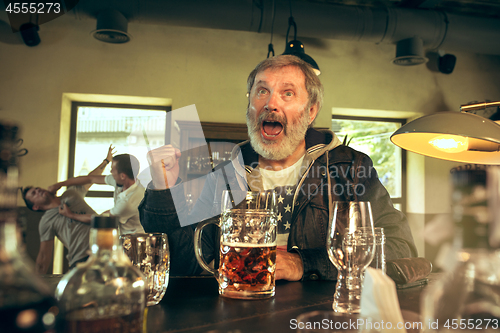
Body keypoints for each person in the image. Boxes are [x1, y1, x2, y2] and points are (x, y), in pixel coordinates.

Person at [139, 55, 418, 281]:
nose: (271, 104)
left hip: (324, 318)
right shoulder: (226, 174)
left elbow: (400, 249)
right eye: (262, 91)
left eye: (287, 93)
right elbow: (185, 265)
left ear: (310, 111)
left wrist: (304, 264)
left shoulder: (350, 168)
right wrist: (163, 190)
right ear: (250, 106)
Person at [22, 146, 113, 274]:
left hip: (107, 250)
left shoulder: (70, 193)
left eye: (37, 188)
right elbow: (43, 255)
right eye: (34, 194)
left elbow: (90, 178)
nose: (38, 191)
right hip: (82, 261)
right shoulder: (46, 221)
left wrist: (106, 161)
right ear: (35, 207)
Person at [54, 152, 146, 235]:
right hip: (123, 235)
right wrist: (61, 184)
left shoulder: (128, 203)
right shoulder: (124, 181)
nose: (111, 172)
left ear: (122, 176)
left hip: (133, 240)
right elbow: (91, 179)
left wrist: (70, 215)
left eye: (113, 169)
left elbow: (99, 218)